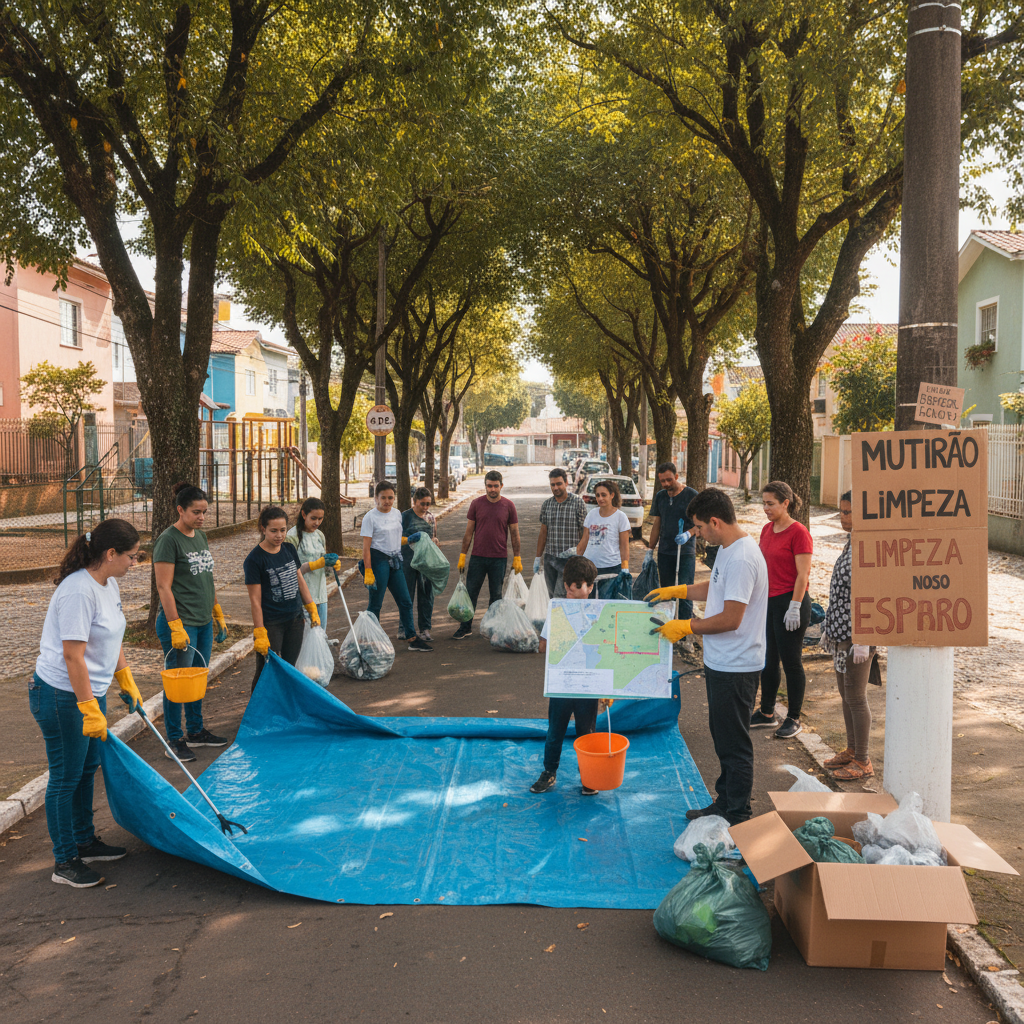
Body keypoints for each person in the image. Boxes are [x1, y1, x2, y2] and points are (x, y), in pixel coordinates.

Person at [31, 519, 144, 887]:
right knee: (65, 777)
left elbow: (114, 635)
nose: (134, 562)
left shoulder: (107, 583)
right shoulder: (78, 591)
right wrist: (87, 707)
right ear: (110, 554)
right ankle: (64, 861)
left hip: (87, 692)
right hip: (62, 695)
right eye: (131, 556)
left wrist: (124, 677)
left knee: (85, 769)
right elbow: (72, 657)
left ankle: (84, 840)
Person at [646, 487, 768, 826]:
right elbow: (717, 587)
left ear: (715, 521)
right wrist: (680, 590)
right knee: (723, 737)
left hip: (737, 663)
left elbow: (731, 618)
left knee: (734, 743)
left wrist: (687, 626)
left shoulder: (743, 557)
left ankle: (738, 813)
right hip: (721, 661)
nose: (697, 534)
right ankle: (725, 802)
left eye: (699, 528)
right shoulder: (728, 549)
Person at [153, 482, 229, 762]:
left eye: (205, 512)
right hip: (181, 624)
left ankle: (196, 732)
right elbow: (163, 587)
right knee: (177, 684)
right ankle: (173, 739)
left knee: (197, 680)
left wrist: (217, 612)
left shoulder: (201, 537)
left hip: (203, 621)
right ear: (180, 510)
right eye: (196, 512)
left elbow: (206, 578)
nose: (202, 517)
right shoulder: (168, 540)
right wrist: (175, 626)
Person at [530, 556, 601, 796]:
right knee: (555, 730)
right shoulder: (558, 610)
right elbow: (543, 645)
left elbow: (607, 650)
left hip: (588, 686)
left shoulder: (600, 613)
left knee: (587, 733)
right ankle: (549, 771)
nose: (571, 594)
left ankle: (589, 777)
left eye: (577, 589)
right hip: (562, 683)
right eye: (568, 589)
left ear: (590, 587)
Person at [821, 491, 878, 780]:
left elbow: (869, 592)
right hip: (841, 632)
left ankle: (864, 760)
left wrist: (864, 637)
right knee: (845, 695)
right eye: (841, 511)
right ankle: (853, 750)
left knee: (856, 696)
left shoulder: (867, 546)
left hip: (858, 634)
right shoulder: (850, 542)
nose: (842, 516)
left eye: (847, 512)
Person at [751, 480, 813, 740]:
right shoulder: (767, 529)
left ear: (785, 503)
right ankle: (766, 712)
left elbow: (803, 574)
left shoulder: (799, 532)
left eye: (770, 504)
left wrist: (795, 606)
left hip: (791, 602)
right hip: (769, 601)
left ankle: (794, 717)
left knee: (791, 662)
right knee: (768, 659)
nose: (766, 508)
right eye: (764, 503)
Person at [245, 505, 322, 690]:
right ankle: (258, 711)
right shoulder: (254, 560)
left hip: (295, 619)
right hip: (272, 623)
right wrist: (260, 632)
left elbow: (299, 579)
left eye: (282, 530)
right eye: (273, 531)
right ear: (263, 529)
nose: (279, 535)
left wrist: (311, 607)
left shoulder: (288, 548)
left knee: (290, 667)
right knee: (265, 668)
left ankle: (285, 707)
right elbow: (255, 600)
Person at [361, 481, 432, 652]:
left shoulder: (397, 514)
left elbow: (396, 539)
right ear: (376, 498)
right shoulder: (370, 517)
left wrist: (408, 540)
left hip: (395, 560)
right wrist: (368, 571)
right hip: (378, 561)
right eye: (383, 497)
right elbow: (366, 548)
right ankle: (372, 641)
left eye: (390, 497)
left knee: (405, 601)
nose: (387, 501)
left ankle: (412, 638)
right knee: (376, 604)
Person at [453, 471, 522, 639]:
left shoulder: (508, 506)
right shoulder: (476, 504)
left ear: (501, 486)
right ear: (485, 486)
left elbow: (514, 533)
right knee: (471, 593)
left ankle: (493, 627)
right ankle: (465, 626)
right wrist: (463, 554)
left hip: (499, 558)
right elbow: (469, 532)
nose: (492, 489)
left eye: (495, 486)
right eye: (489, 486)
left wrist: (517, 556)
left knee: (496, 596)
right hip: (477, 557)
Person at [648, 461, 699, 631]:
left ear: (677, 476)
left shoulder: (692, 495)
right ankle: (667, 625)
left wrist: (688, 534)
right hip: (665, 552)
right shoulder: (660, 496)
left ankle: (684, 633)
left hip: (685, 552)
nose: (666, 484)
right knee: (666, 591)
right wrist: (650, 549)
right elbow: (657, 524)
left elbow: (701, 524)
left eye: (669, 480)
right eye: (662, 481)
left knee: (685, 591)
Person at [287, 497, 340, 629]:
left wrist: (331, 565)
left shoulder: (320, 535)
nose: (317, 522)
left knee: (320, 636)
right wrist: (314, 565)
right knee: (305, 640)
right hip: (301, 597)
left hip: (320, 594)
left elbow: (325, 570)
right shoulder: (291, 536)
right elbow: (290, 571)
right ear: (304, 514)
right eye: (313, 518)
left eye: (320, 518)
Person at [535, 467, 587, 597]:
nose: (556, 487)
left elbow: (585, 532)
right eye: (552, 484)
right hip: (550, 558)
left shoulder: (577, 503)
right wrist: (538, 557)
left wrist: (581, 554)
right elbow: (543, 532)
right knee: (551, 596)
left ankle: (558, 617)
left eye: (559, 483)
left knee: (560, 595)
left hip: (570, 561)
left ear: (566, 483)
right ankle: (554, 618)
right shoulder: (547, 504)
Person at [576, 479, 631, 587]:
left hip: (611, 568)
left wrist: (625, 567)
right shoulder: (591, 514)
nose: (600, 498)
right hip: (589, 567)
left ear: (612, 495)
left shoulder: (620, 517)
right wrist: (577, 561)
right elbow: (584, 540)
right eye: (597, 495)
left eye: (603, 495)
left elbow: (624, 546)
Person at [402, 486, 438, 641]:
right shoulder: (405, 517)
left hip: (426, 562)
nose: (425, 507)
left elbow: (434, 537)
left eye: (428, 504)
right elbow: (398, 539)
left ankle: (425, 629)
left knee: (426, 595)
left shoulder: (431, 518)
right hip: (408, 561)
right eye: (422, 503)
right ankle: (404, 628)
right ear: (414, 501)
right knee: (406, 595)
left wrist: (435, 541)